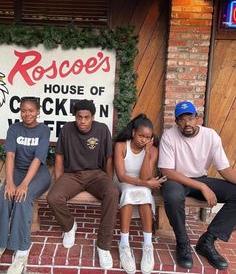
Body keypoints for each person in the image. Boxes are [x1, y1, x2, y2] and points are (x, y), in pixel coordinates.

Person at [158, 101, 236, 270]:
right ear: (177, 121)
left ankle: (207, 241)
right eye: (182, 119)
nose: (187, 123)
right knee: (172, 195)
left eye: (191, 118)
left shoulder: (211, 136)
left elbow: (224, 169)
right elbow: (167, 170)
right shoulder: (169, 136)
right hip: (176, 180)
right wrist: (202, 187)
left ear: (197, 118)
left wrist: (203, 184)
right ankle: (183, 242)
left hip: (201, 178)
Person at [47, 99, 119, 270]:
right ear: (75, 116)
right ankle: (69, 226)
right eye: (79, 117)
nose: (83, 121)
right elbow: (59, 156)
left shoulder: (102, 129)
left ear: (93, 117)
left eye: (87, 117)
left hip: (97, 174)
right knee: (53, 197)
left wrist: (108, 180)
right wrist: (59, 180)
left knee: (112, 193)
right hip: (72, 175)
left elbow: (109, 158)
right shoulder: (66, 130)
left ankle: (103, 247)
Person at [0, 96, 51, 274]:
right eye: (23, 110)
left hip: (38, 173)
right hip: (17, 171)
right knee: (4, 194)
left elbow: (38, 159)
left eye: (31, 110)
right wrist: (10, 182)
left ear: (38, 111)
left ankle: (22, 249)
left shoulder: (44, 130)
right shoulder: (14, 128)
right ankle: (1, 242)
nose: (26, 114)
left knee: (23, 197)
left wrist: (24, 185)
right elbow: (10, 155)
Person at [114, 114, 165, 274]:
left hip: (142, 181)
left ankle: (148, 244)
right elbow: (121, 176)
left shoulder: (153, 150)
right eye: (141, 135)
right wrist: (147, 184)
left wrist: (148, 152)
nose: (144, 140)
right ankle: (124, 243)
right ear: (133, 132)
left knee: (144, 193)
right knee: (130, 192)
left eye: (147, 137)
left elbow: (144, 176)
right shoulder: (121, 146)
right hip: (123, 181)